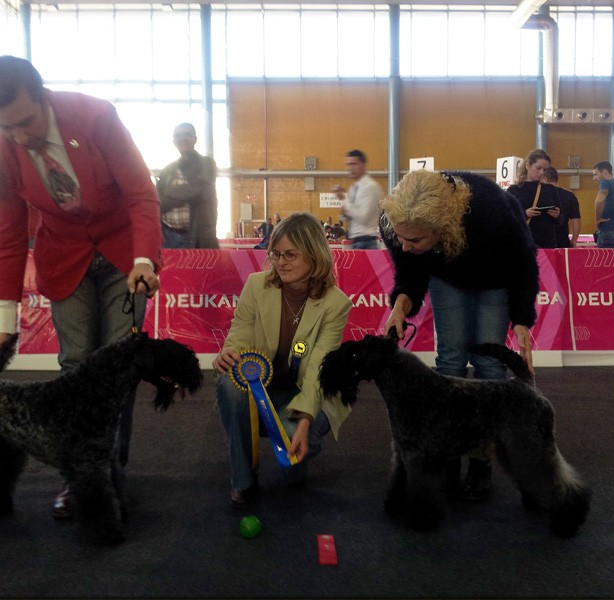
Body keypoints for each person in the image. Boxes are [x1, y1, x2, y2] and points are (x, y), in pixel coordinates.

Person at [0, 55, 162, 519]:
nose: (18, 136)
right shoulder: (2, 149)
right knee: (75, 365)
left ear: (43, 97)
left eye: (25, 122)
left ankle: (110, 474)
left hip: (122, 256)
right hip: (64, 258)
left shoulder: (96, 117)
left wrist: (143, 260)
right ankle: (77, 476)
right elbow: (9, 237)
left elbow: (141, 194)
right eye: (5, 126)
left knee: (117, 369)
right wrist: (2, 328)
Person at [380, 169, 539, 503]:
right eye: (400, 238)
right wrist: (400, 306)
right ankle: (446, 454)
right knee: (449, 361)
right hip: (446, 274)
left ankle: (481, 460)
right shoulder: (397, 223)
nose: (405, 246)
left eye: (415, 240)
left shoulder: (492, 214)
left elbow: (523, 264)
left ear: (442, 227)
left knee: (489, 365)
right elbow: (410, 272)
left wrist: (522, 320)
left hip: (494, 276)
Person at [212, 212, 352, 509]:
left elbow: (318, 370)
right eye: (275, 253)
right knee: (228, 384)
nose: (280, 262)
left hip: (307, 390)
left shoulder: (336, 304)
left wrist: (305, 420)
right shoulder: (256, 285)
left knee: (293, 449)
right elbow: (239, 332)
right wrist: (230, 352)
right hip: (262, 387)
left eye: (291, 254)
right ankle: (243, 480)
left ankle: (297, 461)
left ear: (314, 255)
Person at [156, 123, 219, 249]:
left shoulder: (207, 164)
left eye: (187, 135)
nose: (182, 139)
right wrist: (186, 194)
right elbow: (157, 201)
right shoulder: (167, 170)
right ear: (174, 141)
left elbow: (201, 192)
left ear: (195, 139)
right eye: (178, 135)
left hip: (197, 238)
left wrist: (169, 193)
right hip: (168, 237)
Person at [506, 149, 561, 249]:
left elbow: (561, 220)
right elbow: (506, 217)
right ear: (527, 165)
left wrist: (557, 215)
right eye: (538, 168)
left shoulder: (550, 189)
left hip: (547, 244)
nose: (541, 172)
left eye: (545, 170)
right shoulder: (514, 190)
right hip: (523, 243)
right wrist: (525, 214)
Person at [333, 149, 383, 249]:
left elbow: (364, 217)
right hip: (355, 240)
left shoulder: (370, 187)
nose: (350, 168)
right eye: (348, 165)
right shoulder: (353, 188)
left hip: (367, 241)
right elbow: (348, 217)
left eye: (353, 164)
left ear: (363, 165)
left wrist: (344, 200)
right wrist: (343, 210)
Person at [541, 166, 581, 248]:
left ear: (544, 178)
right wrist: (574, 239)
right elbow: (576, 219)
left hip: (544, 239)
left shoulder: (541, 195)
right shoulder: (570, 195)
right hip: (562, 239)